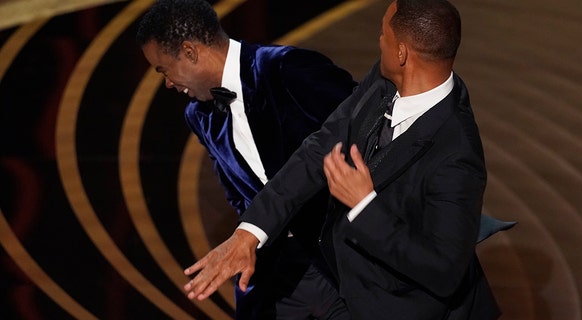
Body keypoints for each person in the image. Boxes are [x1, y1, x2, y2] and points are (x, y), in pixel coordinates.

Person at [183, 0, 508, 319]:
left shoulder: (457, 153)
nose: (378, 40)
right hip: (352, 291)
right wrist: (249, 233)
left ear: (402, 52)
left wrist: (364, 205)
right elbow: (318, 149)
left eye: (384, 34)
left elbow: (442, 270)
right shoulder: (384, 82)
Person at [136, 0, 357, 319]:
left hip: (343, 263)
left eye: (164, 70)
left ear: (190, 52)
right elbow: (238, 194)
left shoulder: (288, 68)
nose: (168, 82)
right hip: (276, 274)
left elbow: (368, 134)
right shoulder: (199, 115)